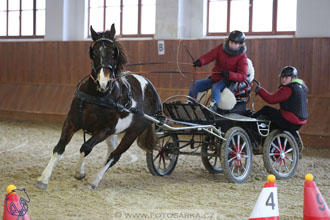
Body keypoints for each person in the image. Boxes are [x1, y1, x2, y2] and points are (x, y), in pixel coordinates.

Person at [188, 30, 248, 112]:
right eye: (231, 42)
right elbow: (210, 55)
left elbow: (243, 76)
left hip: (227, 81)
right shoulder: (221, 48)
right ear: (228, 40)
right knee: (195, 85)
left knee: (215, 87)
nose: (232, 45)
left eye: (235, 43)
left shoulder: (242, 57)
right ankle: (189, 104)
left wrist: (229, 74)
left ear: (240, 44)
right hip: (215, 78)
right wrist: (201, 61)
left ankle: (212, 107)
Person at [253, 66, 308, 131]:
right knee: (276, 114)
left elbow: (271, 99)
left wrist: (260, 90)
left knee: (266, 109)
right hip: (300, 123)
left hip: (290, 121)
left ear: (293, 78)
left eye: (286, 77)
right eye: (282, 77)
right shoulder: (302, 88)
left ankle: (250, 122)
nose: (283, 79)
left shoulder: (288, 88)